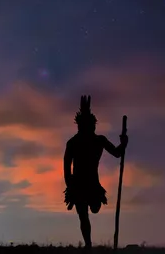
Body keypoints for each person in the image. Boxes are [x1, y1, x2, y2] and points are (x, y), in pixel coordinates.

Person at [63, 95, 128, 249]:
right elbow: (66, 168)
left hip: (92, 184)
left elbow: (117, 153)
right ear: (82, 126)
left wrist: (124, 143)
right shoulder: (73, 143)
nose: (92, 128)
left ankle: (88, 244)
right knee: (83, 216)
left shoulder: (99, 140)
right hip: (78, 184)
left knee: (94, 208)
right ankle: (88, 245)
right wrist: (70, 186)